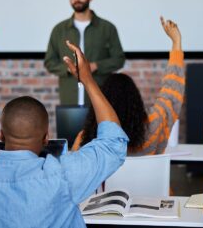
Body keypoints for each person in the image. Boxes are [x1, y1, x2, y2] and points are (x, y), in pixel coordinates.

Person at [0, 41, 128, 228]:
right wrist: (88, 80)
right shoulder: (62, 176)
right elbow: (114, 142)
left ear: (1, 136)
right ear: (46, 139)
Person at [71, 16, 184, 155]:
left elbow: (73, 172)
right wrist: (176, 42)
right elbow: (172, 94)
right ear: (135, 100)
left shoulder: (87, 138)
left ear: (104, 102)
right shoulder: (155, 125)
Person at [44, 0, 125, 105]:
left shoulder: (107, 28)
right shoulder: (59, 30)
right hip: (69, 97)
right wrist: (69, 69)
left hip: (100, 97)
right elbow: (50, 62)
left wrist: (96, 66)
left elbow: (119, 59)